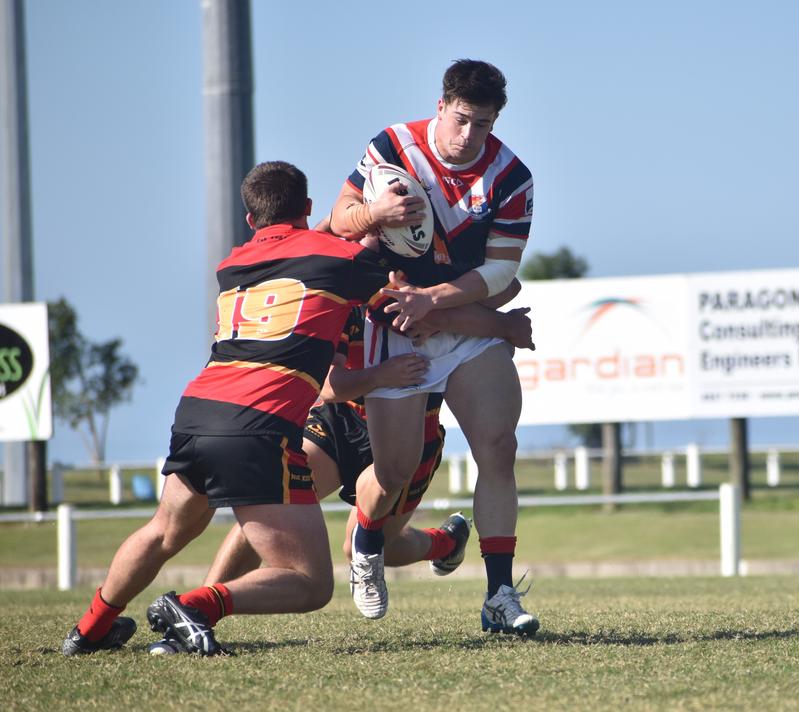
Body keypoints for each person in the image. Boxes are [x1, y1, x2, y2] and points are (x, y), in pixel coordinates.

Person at [60, 161, 394, 657]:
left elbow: (308, 245)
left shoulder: (233, 263)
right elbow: (402, 284)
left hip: (198, 409)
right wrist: (376, 215)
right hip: (257, 424)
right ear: (306, 207)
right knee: (309, 583)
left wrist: (345, 223)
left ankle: (89, 629)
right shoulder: (336, 260)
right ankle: (195, 606)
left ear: (249, 219)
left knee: (165, 529)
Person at [322, 59, 538, 635]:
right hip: (391, 322)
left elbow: (499, 273)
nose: (470, 137)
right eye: (463, 120)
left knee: (499, 446)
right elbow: (336, 224)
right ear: (441, 107)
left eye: (484, 125)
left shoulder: (512, 177)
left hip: (456, 320)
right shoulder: (392, 145)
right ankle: (366, 547)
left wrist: (433, 300)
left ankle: (498, 595)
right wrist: (376, 213)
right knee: (393, 469)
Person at [194, 300, 534, 610]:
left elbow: (503, 283)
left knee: (370, 546)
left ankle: (444, 545)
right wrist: (381, 376)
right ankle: (197, 609)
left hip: (416, 433)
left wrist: (499, 323)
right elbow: (329, 388)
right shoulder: (345, 292)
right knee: (270, 510)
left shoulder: (434, 288)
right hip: (342, 421)